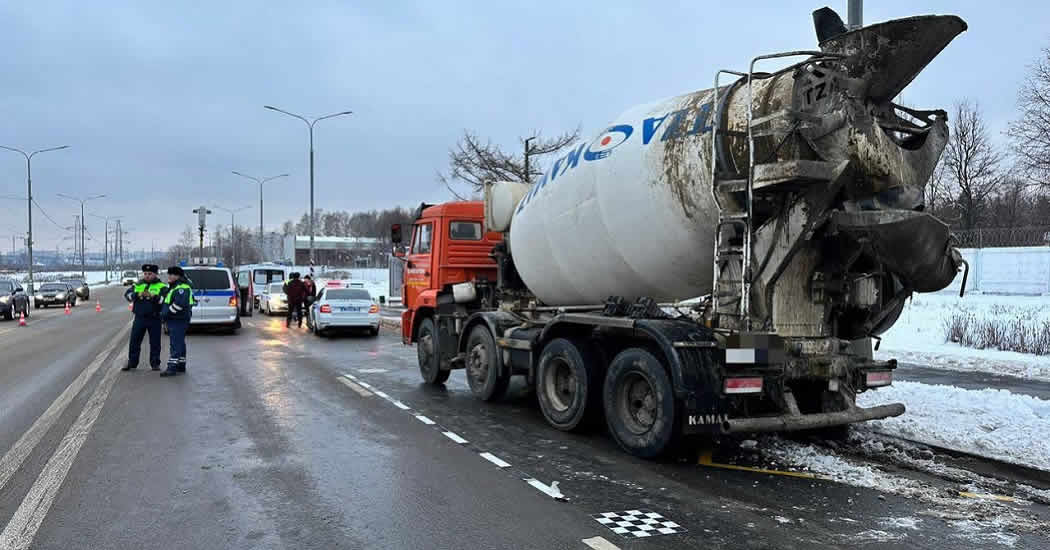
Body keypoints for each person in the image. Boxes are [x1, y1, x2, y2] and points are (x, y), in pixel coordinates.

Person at [121, 264, 169, 371]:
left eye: (150, 274)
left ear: (155, 274)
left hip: (154, 318)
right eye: (145, 274)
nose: (147, 276)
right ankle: (132, 362)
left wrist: (154, 297)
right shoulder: (138, 284)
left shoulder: (162, 286)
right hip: (140, 318)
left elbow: (165, 301)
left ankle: (155, 363)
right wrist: (137, 295)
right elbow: (127, 296)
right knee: (134, 341)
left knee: (155, 342)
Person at [160, 266, 194, 377]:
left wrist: (167, 313)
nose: (169, 276)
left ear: (178, 276)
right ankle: (181, 364)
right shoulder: (175, 286)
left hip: (178, 319)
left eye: (172, 274)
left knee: (175, 343)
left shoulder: (181, 287)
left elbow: (179, 304)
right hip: (177, 319)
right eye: (169, 274)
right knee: (180, 342)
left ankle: (172, 368)